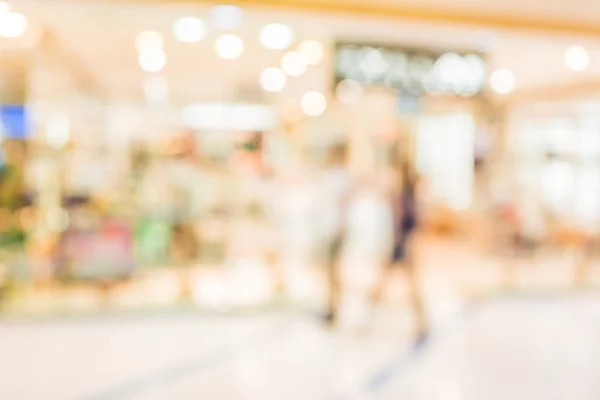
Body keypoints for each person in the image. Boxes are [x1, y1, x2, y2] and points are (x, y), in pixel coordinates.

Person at [371, 160, 426, 338]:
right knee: (382, 283)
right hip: (394, 244)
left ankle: (421, 321)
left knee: (411, 286)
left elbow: (412, 223)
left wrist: (409, 243)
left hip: (404, 245)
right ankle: (368, 316)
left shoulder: (407, 198)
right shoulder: (396, 196)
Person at [318, 142, 352, 325]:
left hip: (333, 230)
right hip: (334, 229)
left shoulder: (338, 178)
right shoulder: (340, 177)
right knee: (331, 271)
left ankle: (333, 308)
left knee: (332, 271)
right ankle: (332, 307)